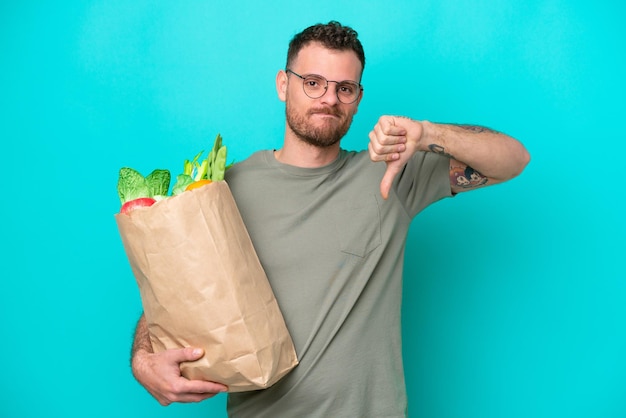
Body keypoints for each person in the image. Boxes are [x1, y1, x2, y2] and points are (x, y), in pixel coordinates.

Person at [130, 21, 530, 417]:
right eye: (313, 82)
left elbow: (513, 159)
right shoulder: (227, 189)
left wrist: (425, 133)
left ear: (358, 97)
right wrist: (143, 359)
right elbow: (177, 294)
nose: (329, 99)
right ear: (283, 85)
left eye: (345, 88)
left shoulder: (390, 173)